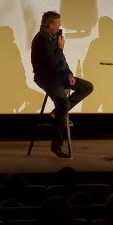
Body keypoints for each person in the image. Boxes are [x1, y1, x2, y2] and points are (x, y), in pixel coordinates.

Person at [31, 11, 94, 159]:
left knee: (87, 87)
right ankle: (56, 147)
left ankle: (56, 112)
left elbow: (61, 60)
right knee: (64, 105)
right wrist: (60, 47)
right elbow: (52, 62)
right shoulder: (41, 40)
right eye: (58, 22)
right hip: (46, 77)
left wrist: (69, 74)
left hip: (59, 75)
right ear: (51, 25)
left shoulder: (53, 36)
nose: (60, 25)